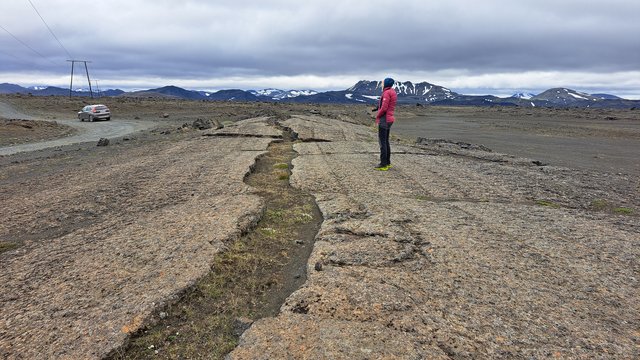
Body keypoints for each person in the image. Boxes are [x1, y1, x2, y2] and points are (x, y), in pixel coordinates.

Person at [372, 77, 397, 171]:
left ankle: (383, 164)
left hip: (385, 119)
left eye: (382, 82)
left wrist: (377, 115)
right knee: (386, 141)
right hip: (389, 119)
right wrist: (377, 107)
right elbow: (384, 104)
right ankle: (388, 162)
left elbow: (384, 108)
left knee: (382, 142)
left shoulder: (386, 92)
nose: (381, 84)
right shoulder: (392, 91)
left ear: (386, 83)